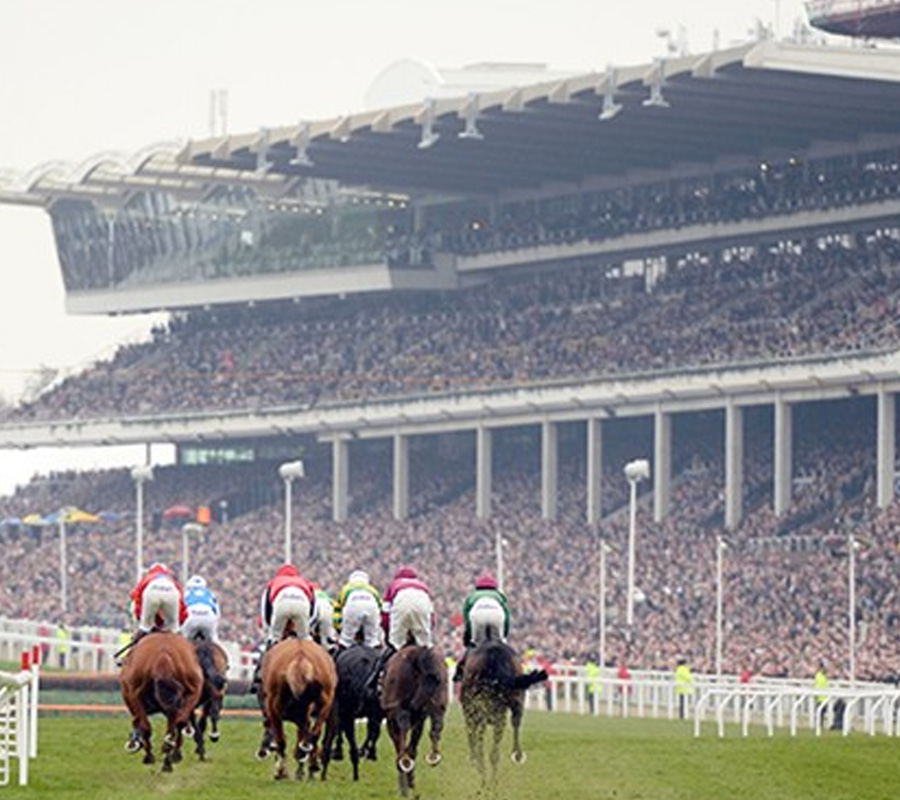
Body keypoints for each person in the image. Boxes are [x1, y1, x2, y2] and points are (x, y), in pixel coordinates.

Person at [367, 565, 434, 691]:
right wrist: (425, 635)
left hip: (401, 601)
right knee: (426, 649)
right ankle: (434, 683)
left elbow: (386, 615)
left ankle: (377, 681)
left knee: (394, 646)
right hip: (422, 603)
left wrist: (389, 638)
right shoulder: (423, 586)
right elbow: (431, 617)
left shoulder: (394, 585)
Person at [453, 571, 510, 681]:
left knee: (475, 646)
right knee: (501, 646)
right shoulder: (500, 596)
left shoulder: (472, 596)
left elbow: (467, 619)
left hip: (477, 614)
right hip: (497, 614)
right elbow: (507, 618)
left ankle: (460, 671)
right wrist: (504, 635)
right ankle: (509, 670)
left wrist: (469, 637)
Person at [259, 563, 316, 646]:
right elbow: (313, 609)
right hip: (302, 602)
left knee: (274, 638)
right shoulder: (305, 582)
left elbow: (266, 612)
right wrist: (307, 626)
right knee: (305, 639)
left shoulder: (273, 583)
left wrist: (269, 630)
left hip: (282, 602)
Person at [130, 562, 187, 641]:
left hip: (151, 591)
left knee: (145, 627)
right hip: (171, 591)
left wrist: (141, 620)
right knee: (174, 629)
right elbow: (182, 607)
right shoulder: (172, 580)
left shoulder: (147, 578)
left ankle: (134, 645)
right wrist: (178, 623)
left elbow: (136, 599)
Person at [333, 569, 383, 649]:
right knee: (372, 641)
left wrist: (339, 627)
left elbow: (337, 610)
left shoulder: (346, 588)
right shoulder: (372, 589)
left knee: (346, 640)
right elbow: (381, 607)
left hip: (353, 605)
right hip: (372, 607)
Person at [181, 574, 221, 643]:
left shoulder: (185, 593)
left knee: (182, 641)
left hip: (191, 617)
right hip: (208, 617)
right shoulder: (210, 594)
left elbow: (180, 612)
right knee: (215, 642)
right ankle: (227, 653)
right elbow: (217, 614)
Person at [310, 582, 337, 649]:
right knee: (327, 642)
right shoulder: (326, 595)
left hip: (316, 613)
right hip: (329, 613)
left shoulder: (311, 594)